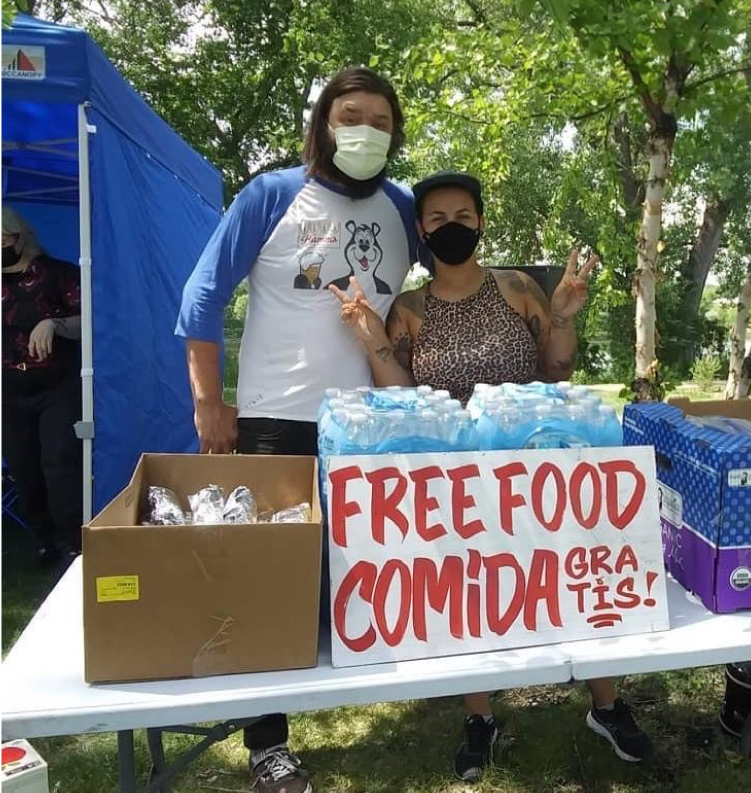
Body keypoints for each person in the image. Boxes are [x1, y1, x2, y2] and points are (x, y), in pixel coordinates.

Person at [329, 170, 653, 781]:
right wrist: (371, 337)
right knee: (471, 592)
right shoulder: (409, 309)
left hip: (535, 471)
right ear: (421, 232)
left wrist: (562, 316)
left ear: (481, 221)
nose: (452, 228)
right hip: (456, 482)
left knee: (571, 576)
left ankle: (606, 704)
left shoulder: (517, 288)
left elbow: (557, 372)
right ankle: (479, 715)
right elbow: (401, 398)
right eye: (437, 220)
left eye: (463, 216)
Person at [174, 67, 424, 793]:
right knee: (267, 579)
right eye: (352, 115)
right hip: (276, 422)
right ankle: (268, 744)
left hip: (375, 424)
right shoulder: (273, 195)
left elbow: (441, 289)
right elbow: (201, 297)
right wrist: (206, 402)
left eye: (380, 121)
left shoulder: (404, 209)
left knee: (360, 568)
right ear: (322, 123)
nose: (365, 131)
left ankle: (371, 686)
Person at [0, 206, 83, 569]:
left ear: (21, 237)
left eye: (2, 240)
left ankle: (72, 544)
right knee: (23, 466)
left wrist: (54, 324)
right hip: (9, 389)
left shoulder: (61, 274)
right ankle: (43, 542)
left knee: (59, 462)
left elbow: (89, 321)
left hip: (56, 387)